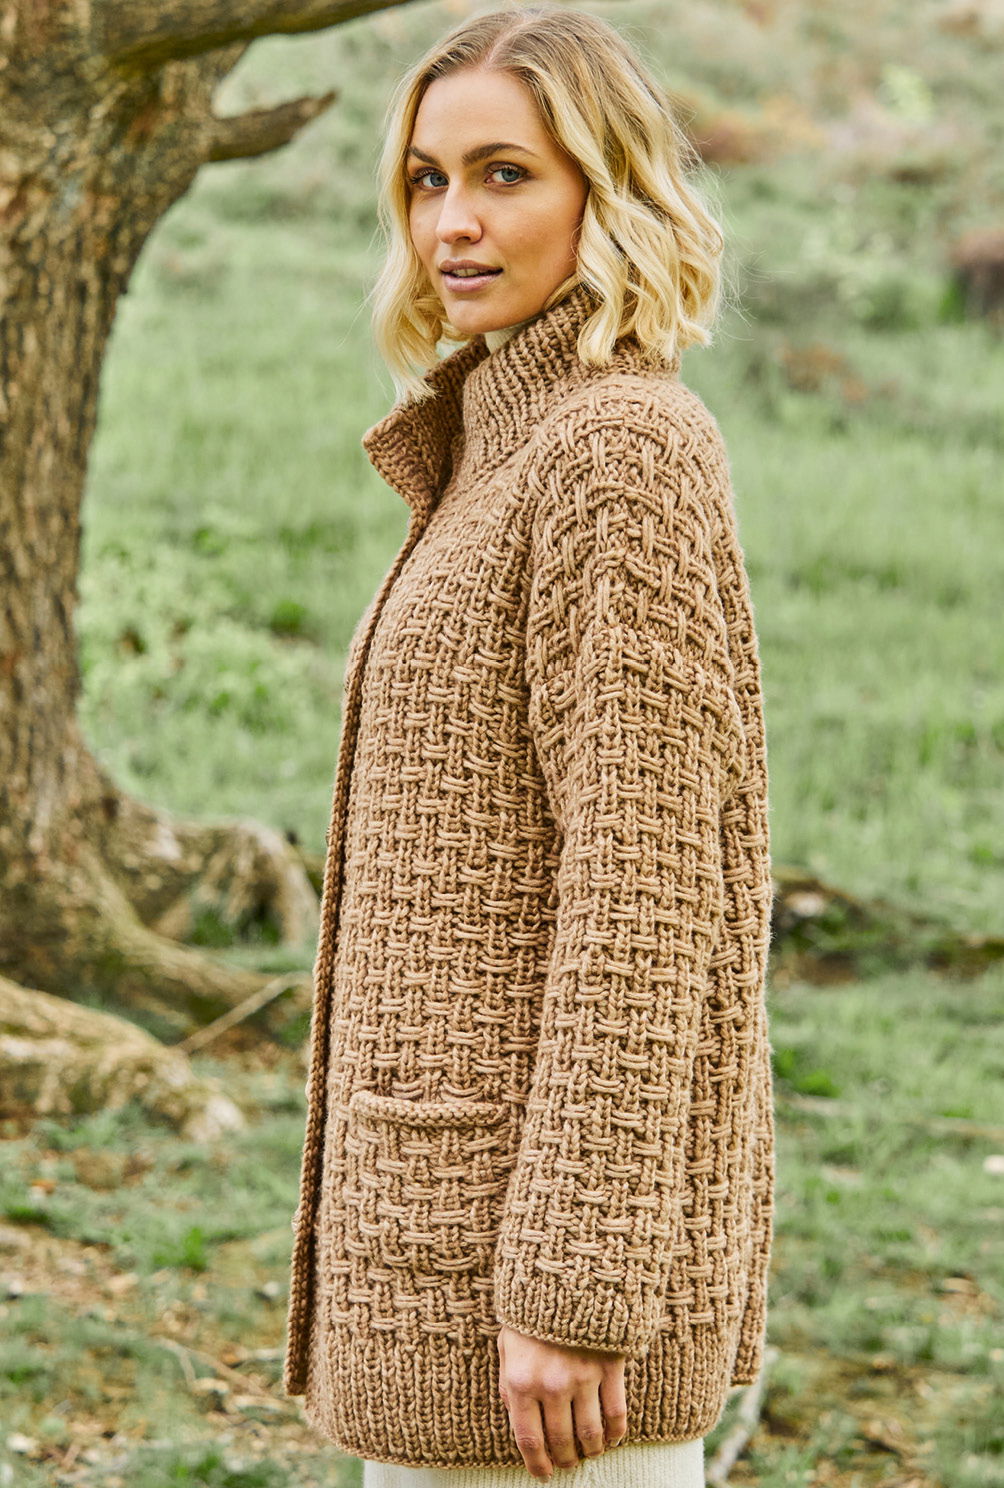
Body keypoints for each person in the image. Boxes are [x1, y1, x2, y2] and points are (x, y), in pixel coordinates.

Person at [282, 6, 775, 1487]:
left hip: (540, 1323)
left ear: (605, 190)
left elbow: (650, 892)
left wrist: (577, 1287)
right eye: (427, 180)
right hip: (442, 1260)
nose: (454, 222)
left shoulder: (619, 451)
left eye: (506, 174)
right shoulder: (500, 439)